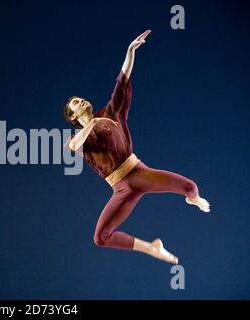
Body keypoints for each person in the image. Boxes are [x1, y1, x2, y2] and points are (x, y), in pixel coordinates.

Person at [64, 30, 210, 264]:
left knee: (190, 186)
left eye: (81, 98)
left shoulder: (111, 114)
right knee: (100, 238)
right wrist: (92, 123)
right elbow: (74, 146)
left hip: (139, 172)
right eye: (76, 103)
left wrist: (130, 52)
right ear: (73, 117)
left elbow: (121, 82)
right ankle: (151, 248)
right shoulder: (79, 136)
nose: (82, 100)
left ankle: (193, 199)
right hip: (122, 188)